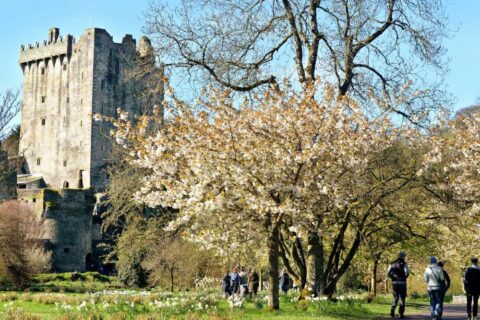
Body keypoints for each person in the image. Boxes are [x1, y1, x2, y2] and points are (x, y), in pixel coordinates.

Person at [387, 251, 410, 318]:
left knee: (395, 298)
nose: (405, 258)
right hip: (402, 283)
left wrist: (392, 278)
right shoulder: (404, 263)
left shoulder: (392, 263)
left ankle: (392, 310)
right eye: (404, 256)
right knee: (402, 299)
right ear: (403, 256)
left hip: (395, 283)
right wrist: (405, 277)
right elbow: (407, 272)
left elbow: (388, 273)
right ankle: (400, 314)